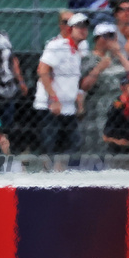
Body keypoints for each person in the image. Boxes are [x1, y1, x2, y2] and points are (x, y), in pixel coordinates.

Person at [34, 11, 90, 154]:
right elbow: (42, 70)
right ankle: (45, 175)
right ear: (70, 29)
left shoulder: (80, 50)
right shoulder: (57, 45)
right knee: (49, 149)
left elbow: (75, 80)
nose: (83, 30)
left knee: (72, 147)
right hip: (51, 107)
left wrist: (79, 101)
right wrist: (53, 98)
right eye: (79, 27)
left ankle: (60, 175)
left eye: (85, 26)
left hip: (68, 107)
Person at [79, 21, 129, 154]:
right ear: (97, 39)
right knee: (98, 149)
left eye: (113, 36)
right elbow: (85, 85)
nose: (110, 39)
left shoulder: (118, 57)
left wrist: (119, 55)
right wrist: (99, 67)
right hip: (99, 108)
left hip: (120, 108)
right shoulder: (89, 58)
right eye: (106, 36)